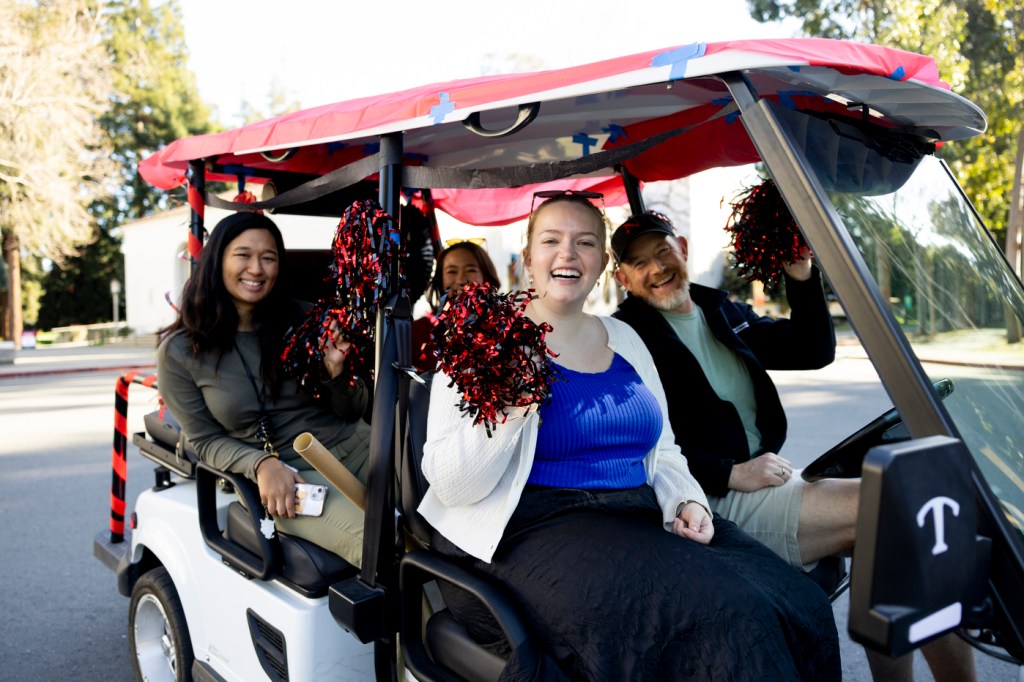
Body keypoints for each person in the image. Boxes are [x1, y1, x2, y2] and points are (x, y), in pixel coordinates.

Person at [419, 192, 840, 681]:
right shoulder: (486, 342)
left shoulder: (625, 340)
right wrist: (512, 405)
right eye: (551, 240)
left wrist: (688, 501)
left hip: (633, 511)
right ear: (529, 254)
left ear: (601, 264)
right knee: (728, 617)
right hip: (532, 526)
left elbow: (662, 449)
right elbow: (452, 485)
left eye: (585, 242)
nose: (567, 254)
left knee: (796, 598)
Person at [610, 210, 976, 682]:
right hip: (709, 501)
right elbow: (640, 444)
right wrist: (729, 472)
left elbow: (810, 349)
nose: (656, 267)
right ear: (622, 277)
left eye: (662, 251)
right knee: (897, 508)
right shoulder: (627, 338)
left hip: (768, 481)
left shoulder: (719, 310)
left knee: (892, 533)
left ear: (682, 247)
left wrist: (801, 275)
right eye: (638, 263)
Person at [157, 211, 371, 567]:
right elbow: (205, 440)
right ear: (217, 261)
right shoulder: (181, 351)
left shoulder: (310, 321)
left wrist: (337, 373)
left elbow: (354, 410)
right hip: (289, 476)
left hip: (361, 450)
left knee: (446, 536)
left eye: (268, 258)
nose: (256, 268)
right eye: (243, 255)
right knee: (380, 546)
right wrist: (260, 464)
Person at [412, 240, 501, 371]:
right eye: (451, 271)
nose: (460, 279)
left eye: (471, 270)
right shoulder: (417, 332)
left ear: (486, 278)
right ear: (440, 279)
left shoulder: (503, 331)